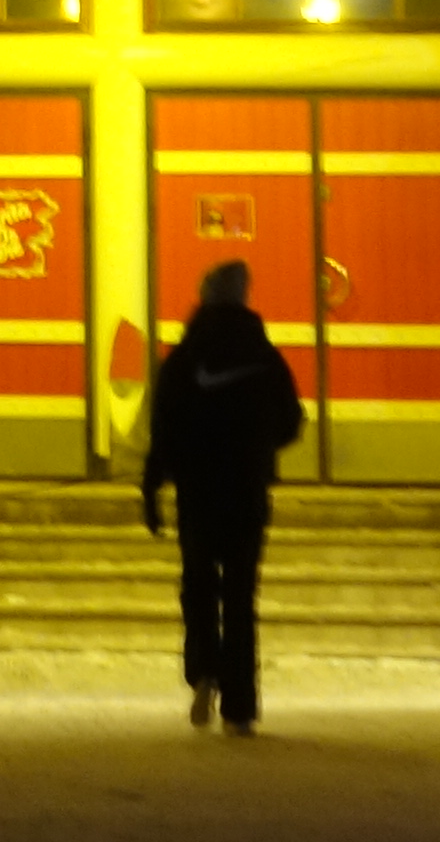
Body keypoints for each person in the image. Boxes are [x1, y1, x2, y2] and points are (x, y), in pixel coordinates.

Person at [139, 259, 304, 732]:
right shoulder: (264, 354)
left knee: (198, 586)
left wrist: (152, 489)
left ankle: (203, 673)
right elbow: (290, 419)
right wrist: (257, 447)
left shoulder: (185, 357)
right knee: (239, 595)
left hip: (198, 490)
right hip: (246, 490)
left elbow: (163, 427)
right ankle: (239, 709)